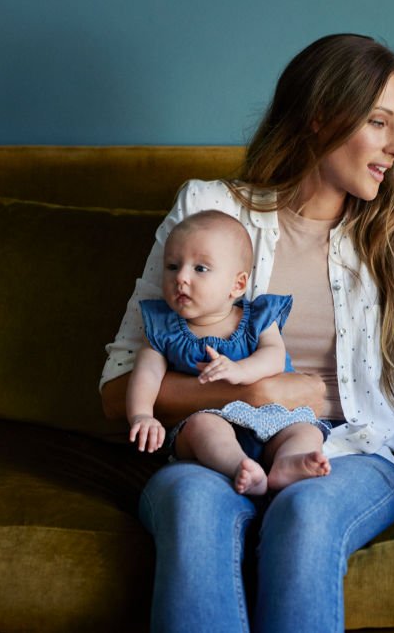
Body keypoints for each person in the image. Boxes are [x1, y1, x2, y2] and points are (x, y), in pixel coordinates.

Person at [100, 33, 394, 633]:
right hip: (214, 443)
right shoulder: (207, 211)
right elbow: (119, 386)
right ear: (321, 116)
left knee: (306, 512)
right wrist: (253, 395)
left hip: (348, 452)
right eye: (380, 123)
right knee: (193, 507)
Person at [126, 209, 331, 496]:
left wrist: (240, 370)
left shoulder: (257, 317)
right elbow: (146, 373)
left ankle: (287, 463)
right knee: (202, 427)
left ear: (237, 284)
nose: (181, 277)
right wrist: (141, 415)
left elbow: (274, 355)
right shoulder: (164, 328)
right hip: (210, 420)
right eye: (172, 266)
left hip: (272, 419)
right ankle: (241, 467)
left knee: (306, 430)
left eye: (200, 269)